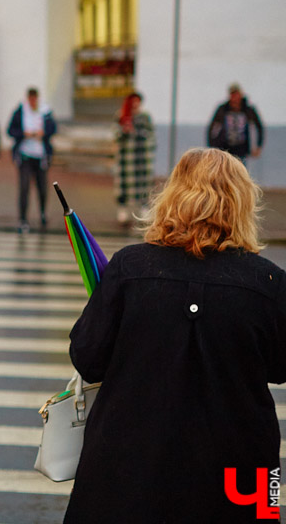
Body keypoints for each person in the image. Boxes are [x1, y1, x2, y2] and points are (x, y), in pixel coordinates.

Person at [63, 148, 278, 523]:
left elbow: (87, 357)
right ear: (242, 202)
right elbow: (280, 366)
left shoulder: (129, 268)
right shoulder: (269, 282)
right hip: (239, 472)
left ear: (172, 195)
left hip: (130, 467)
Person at [7, 87, 56, 232]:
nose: (33, 102)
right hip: (25, 155)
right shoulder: (20, 111)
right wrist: (23, 134)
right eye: (31, 99)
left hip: (41, 156)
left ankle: (42, 213)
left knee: (42, 187)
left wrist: (44, 133)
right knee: (24, 187)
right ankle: (23, 218)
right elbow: (10, 130)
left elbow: (53, 128)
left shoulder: (45, 111)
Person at [114, 92, 155, 224]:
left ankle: (144, 209)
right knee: (124, 185)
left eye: (138, 101)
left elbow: (151, 135)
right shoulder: (121, 115)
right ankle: (123, 210)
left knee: (143, 184)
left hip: (141, 157)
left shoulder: (145, 117)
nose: (135, 104)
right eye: (133, 101)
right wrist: (123, 131)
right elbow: (115, 134)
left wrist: (136, 132)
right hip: (126, 157)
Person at [207, 82, 264, 163]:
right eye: (232, 95)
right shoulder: (223, 109)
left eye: (236, 94)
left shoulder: (248, 110)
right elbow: (212, 128)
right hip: (225, 149)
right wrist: (212, 147)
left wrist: (258, 146)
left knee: (240, 172)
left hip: (242, 150)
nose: (234, 97)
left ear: (240, 94)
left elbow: (259, 127)